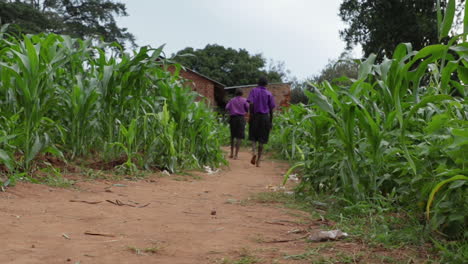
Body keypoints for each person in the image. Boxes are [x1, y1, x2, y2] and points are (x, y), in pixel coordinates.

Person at [247, 76, 275, 167]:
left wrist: (250, 116)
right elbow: (271, 109)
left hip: (255, 116)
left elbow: (251, 104)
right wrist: (270, 121)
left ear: (258, 83)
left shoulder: (253, 91)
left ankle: (254, 152)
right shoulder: (269, 94)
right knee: (262, 139)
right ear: (266, 84)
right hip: (265, 118)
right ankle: (258, 160)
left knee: (253, 136)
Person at [225, 89, 249, 159]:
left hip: (233, 119)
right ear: (242, 94)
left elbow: (227, 107)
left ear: (235, 94)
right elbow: (247, 108)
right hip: (241, 119)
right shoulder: (245, 100)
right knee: (239, 137)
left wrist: (232, 110)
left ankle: (231, 153)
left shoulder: (231, 100)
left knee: (232, 136)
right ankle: (236, 155)